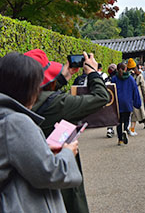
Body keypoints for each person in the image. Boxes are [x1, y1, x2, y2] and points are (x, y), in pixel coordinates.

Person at [27, 50, 109, 213]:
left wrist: (62, 78)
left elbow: (39, 94)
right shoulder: (58, 104)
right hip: (59, 173)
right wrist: (93, 73)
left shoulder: (16, 102)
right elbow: (101, 97)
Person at [0, 52, 83, 212]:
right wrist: (67, 153)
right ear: (27, 88)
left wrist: (43, 149)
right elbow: (50, 173)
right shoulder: (16, 122)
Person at [112, 62, 142, 145]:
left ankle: (120, 139)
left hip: (117, 103)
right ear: (126, 69)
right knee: (126, 119)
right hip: (127, 102)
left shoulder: (114, 78)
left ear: (117, 69)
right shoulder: (131, 78)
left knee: (118, 122)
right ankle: (125, 130)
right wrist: (137, 103)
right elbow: (135, 91)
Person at [129, 60, 145, 135]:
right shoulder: (139, 75)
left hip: (128, 94)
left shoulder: (126, 75)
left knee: (128, 113)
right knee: (135, 114)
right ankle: (132, 129)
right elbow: (143, 87)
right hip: (137, 94)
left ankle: (126, 128)